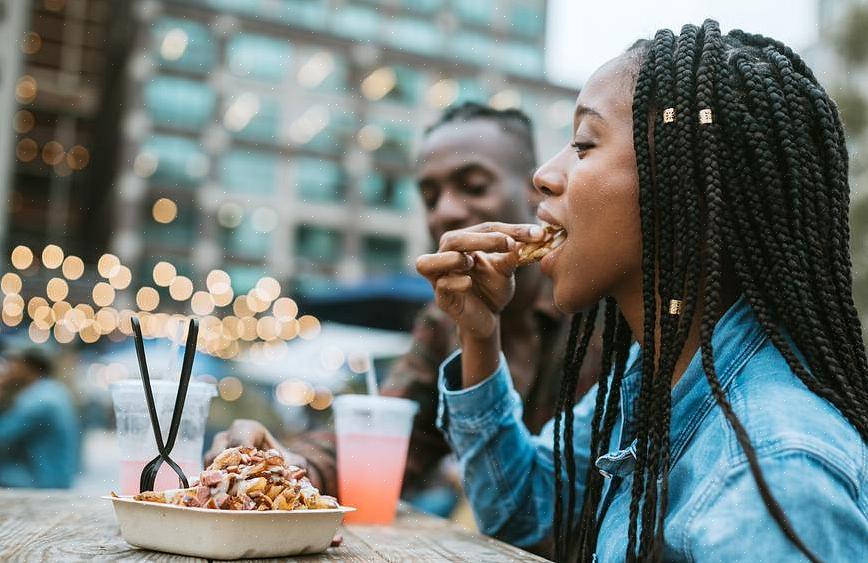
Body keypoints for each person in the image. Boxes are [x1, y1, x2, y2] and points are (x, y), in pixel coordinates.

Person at [418, 20, 868, 562]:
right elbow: (526, 507)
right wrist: (479, 335)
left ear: (687, 188)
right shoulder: (661, 373)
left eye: (584, 144)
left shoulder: (774, 470)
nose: (543, 175)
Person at [207, 103, 599, 515]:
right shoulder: (446, 318)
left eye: (474, 186)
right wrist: (283, 464)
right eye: (430, 198)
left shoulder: (597, 305)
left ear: (536, 189)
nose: (445, 210)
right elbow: (384, 435)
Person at [0, 348, 79, 488]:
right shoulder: (54, 390)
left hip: (43, 481)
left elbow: (4, 436)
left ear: (27, 366)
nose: (8, 370)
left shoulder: (38, 400)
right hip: (58, 476)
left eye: (13, 363)